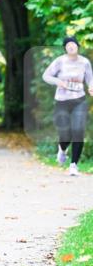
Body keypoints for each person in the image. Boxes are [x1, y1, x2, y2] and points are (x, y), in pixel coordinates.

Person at [42, 36, 93, 177]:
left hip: (79, 100)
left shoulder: (84, 62)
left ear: (78, 46)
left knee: (78, 131)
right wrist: (58, 81)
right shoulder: (59, 61)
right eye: (68, 45)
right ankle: (62, 149)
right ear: (65, 48)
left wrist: (91, 87)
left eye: (73, 44)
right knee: (65, 133)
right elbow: (45, 76)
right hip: (62, 101)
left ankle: (73, 165)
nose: (71, 46)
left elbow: (90, 78)